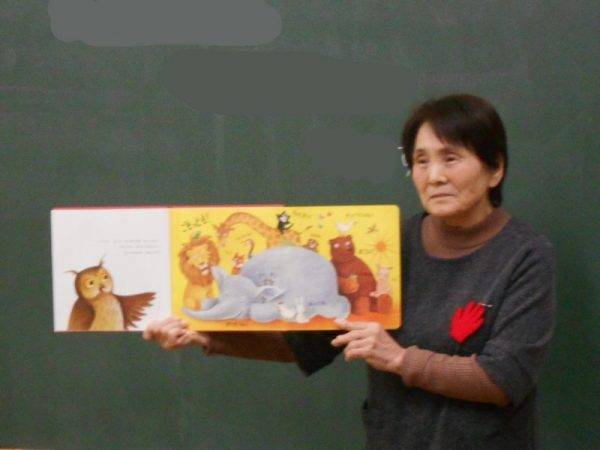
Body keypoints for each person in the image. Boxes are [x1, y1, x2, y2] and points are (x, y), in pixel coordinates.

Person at [144, 94, 556, 449]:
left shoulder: (524, 255)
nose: (434, 176)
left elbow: (505, 378)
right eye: (420, 160)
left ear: (495, 169)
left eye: (451, 158)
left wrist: (399, 358)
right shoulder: (388, 244)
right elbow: (309, 342)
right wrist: (208, 335)